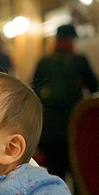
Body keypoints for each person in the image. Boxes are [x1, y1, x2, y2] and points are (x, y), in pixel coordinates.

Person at [32, 24, 98, 179]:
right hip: (74, 125)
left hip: (49, 129)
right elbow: (94, 86)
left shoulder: (43, 62)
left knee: (55, 174)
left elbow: (33, 93)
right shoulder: (79, 61)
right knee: (79, 173)